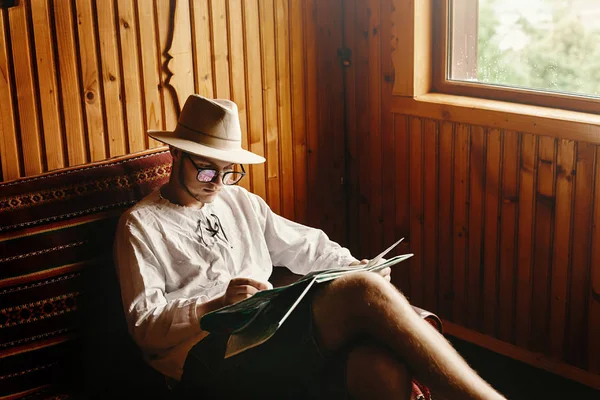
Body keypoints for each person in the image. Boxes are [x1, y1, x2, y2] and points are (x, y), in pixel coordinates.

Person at [114, 94, 505, 399]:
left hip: (267, 332)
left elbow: (307, 245)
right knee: (362, 291)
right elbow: (145, 327)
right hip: (204, 357)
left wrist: (357, 264)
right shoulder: (141, 224)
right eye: (205, 168)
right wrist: (214, 305)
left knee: (379, 367)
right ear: (175, 154)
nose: (217, 182)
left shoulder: (240, 201)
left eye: (229, 170)